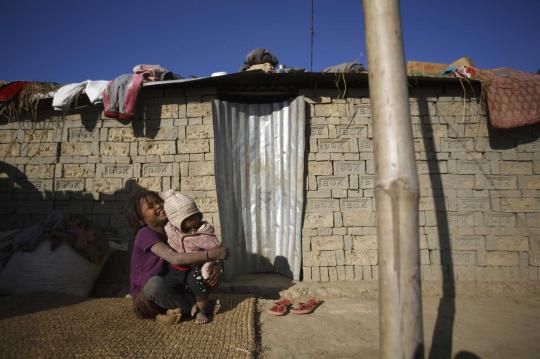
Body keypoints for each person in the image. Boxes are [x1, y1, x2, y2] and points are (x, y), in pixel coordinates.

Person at [127, 190, 229, 324]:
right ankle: (195, 307)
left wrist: (214, 266)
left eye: (158, 202)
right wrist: (209, 255)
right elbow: (174, 258)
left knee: (204, 273)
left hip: (174, 285)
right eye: (151, 206)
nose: (158, 206)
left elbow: (195, 252)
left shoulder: (173, 229)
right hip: (148, 297)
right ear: (141, 220)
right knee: (154, 285)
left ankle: (178, 309)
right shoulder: (144, 234)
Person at [161, 190, 220, 324]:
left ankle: (201, 310)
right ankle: (186, 306)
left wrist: (212, 265)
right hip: (175, 269)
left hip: (196, 268)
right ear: (177, 222)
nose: (194, 222)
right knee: (166, 286)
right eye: (188, 220)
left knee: (198, 283)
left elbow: (214, 250)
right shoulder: (171, 231)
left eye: (195, 216)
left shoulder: (204, 230)